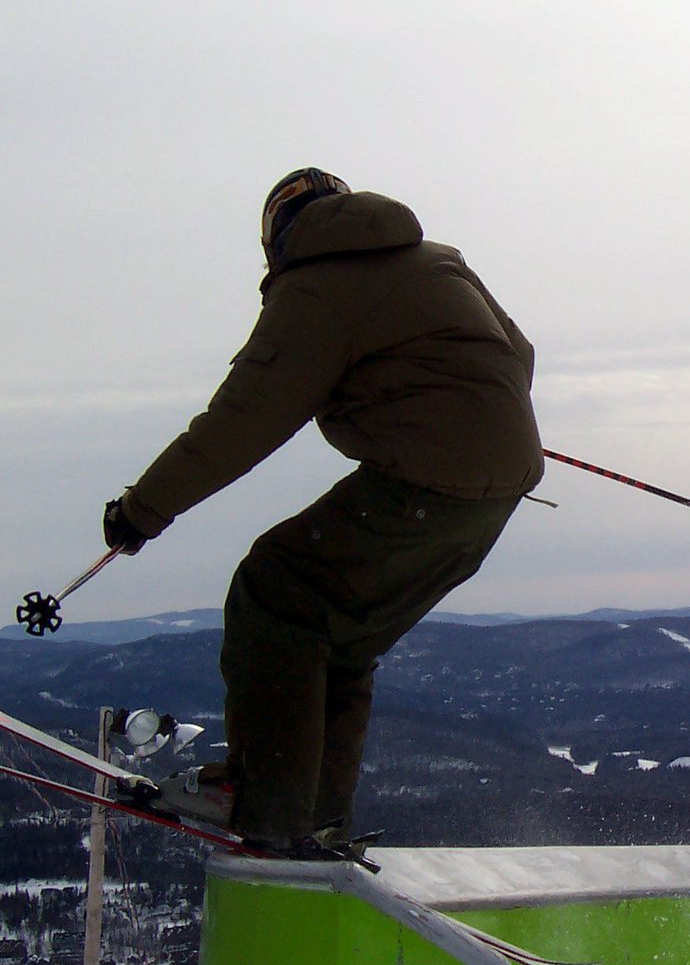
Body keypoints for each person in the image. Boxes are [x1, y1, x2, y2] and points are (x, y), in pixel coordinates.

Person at [102, 168, 543, 855]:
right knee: (341, 636)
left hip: (426, 484)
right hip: (497, 485)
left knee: (274, 589)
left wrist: (142, 509)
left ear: (278, 234)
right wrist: (475, 411)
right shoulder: (437, 261)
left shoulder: (315, 288)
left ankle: (265, 806)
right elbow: (518, 352)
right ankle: (316, 816)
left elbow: (243, 418)